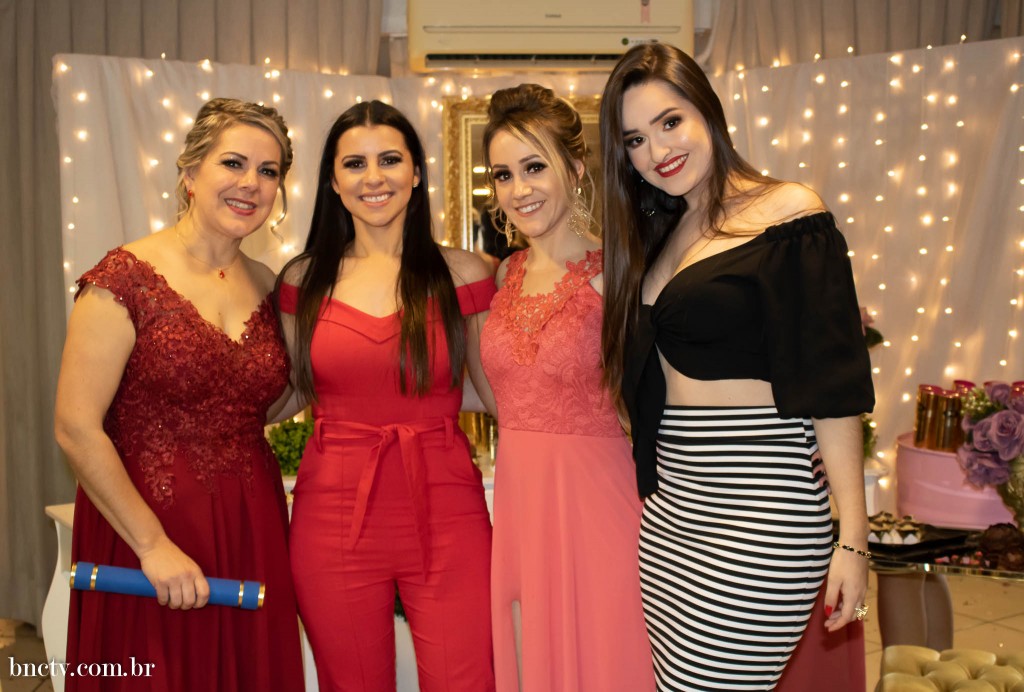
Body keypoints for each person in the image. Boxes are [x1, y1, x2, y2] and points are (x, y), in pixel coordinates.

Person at [599, 43, 876, 689]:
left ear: (708, 110)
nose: (657, 150)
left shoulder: (788, 212)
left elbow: (830, 384)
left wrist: (853, 540)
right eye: (635, 140)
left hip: (760, 517)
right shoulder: (661, 234)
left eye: (670, 121)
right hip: (670, 520)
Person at [54, 98, 303, 691]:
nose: (251, 183)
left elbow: (269, 400)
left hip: (250, 523)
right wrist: (152, 545)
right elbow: (75, 427)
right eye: (234, 163)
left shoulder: (271, 286)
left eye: (268, 171)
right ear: (190, 173)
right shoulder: (124, 278)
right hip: (144, 526)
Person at [276, 100, 496, 691]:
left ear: (417, 173)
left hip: (448, 509)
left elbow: (495, 394)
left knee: (466, 681)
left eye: (390, 160)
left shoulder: (465, 273)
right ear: (332, 181)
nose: (373, 177)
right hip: (332, 516)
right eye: (355, 163)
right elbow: (291, 392)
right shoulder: (301, 280)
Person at [479, 84, 656, 692]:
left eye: (534, 167)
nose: (519, 189)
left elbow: (663, 402)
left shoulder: (620, 274)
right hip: (521, 513)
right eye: (503, 174)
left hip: (600, 515)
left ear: (576, 169)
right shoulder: (505, 274)